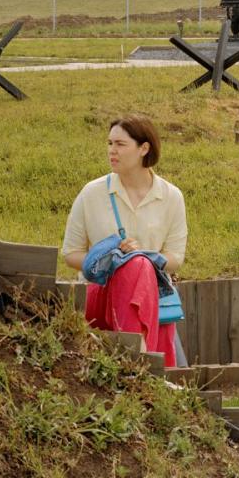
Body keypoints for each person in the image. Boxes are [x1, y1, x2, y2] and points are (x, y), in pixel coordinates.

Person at [62, 115, 188, 367]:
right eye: (109, 143)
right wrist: (110, 257)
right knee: (134, 265)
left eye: (120, 144)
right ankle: (138, 359)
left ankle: (137, 355)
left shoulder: (171, 196)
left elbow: (176, 258)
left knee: (139, 264)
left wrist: (142, 258)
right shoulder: (92, 192)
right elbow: (70, 254)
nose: (111, 151)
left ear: (144, 148)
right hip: (99, 291)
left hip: (151, 295)